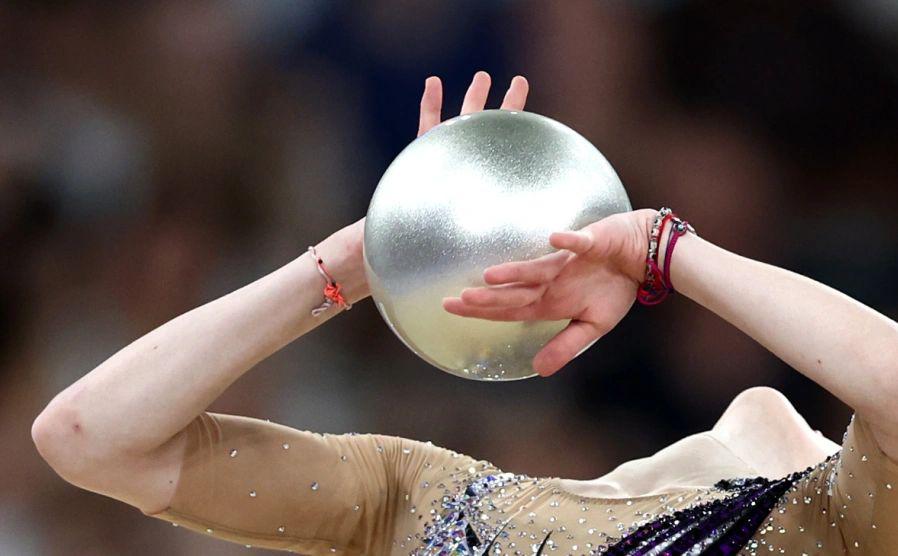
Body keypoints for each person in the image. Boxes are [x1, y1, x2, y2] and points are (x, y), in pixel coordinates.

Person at [31, 72, 897, 555]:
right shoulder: (420, 497)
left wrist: (664, 250)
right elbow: (88, 436)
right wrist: (366, 255)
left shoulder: (822, 519)